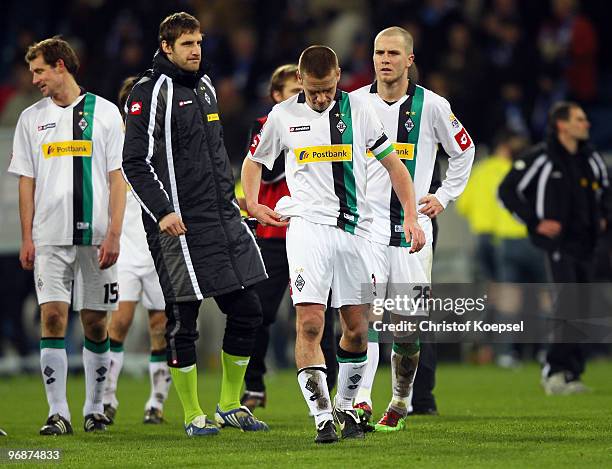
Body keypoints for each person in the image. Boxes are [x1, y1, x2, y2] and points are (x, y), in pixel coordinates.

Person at [242, 45, 425, 443]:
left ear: (338, 75)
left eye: (327, 89)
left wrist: (411, 215)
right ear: (301, 81)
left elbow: (396, 168)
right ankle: (322, 416)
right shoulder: (283, 115)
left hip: (357, 232)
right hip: (307, 228)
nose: (321, 97)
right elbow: (254, 160)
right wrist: (254, 204)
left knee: (358, 329)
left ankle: (345, 406)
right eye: (313, 91)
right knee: (309, 322)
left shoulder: (361, 111)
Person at [122, 12, 268, 437]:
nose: (196, 51)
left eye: (199, 43)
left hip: (222, 218)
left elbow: (216, 152)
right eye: (187, 44)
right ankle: (190, 414)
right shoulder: (148, 92)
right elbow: (133, 161)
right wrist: (163, 211)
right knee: (183, 321)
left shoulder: (205, 86)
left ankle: (228, 404)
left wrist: (234, 199)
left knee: (248, 311)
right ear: (167, 47)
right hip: (178, 224)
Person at [351, 27, 475, 432]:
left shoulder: (433, 106)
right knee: (365, 317)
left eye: (392, 53)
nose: (384, 60)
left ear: (409, 59)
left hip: (412, 230)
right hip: (364, 228)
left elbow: (464, 149)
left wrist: (443, 196)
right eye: (378, 53)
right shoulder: (352, 105)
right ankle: (361, 402)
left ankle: (401, 402)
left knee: (407, 325)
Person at [8, 37, 126, 434]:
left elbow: (117, 178)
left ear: (61, 65)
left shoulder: (106, 113)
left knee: (95, 323)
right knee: (53, 317)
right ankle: (58, 412)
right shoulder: (30, 119)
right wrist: (26, 236)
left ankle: (95, 408)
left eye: (39, 70)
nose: (35, 79)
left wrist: (114, 232)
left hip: (96, 239)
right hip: (49, 238)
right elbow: (27, 182)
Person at [239, 65, 338, 412]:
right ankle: (254, 385)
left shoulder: (328, 120)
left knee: (320, 317)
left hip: (314, 231)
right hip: (271, 233)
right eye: (292, 90)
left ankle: (333, 391)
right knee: (259, 312)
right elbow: (266, 170)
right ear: (276, 96)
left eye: (305, 88)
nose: (304, 95)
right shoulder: (269, 125)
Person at [499, 101, 609, 394]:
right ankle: (554, 370)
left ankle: (572, 371)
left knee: (583, 305)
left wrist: (603, 219)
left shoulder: (591, 158)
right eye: (579, 119)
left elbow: (605, 192)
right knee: (567, 303)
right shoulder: (541, 157)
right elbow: (507, 191)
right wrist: (535, 222)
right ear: (562, 125)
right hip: (558, 244)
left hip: (588, 244)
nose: (586, 124)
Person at [102, 77, 170, 426]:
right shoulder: (114, 146)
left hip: (160, 250)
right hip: (125, 251)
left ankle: (157, 400)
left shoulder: (161, 146)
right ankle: (107, 397)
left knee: (160, 325)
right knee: (121, 321)